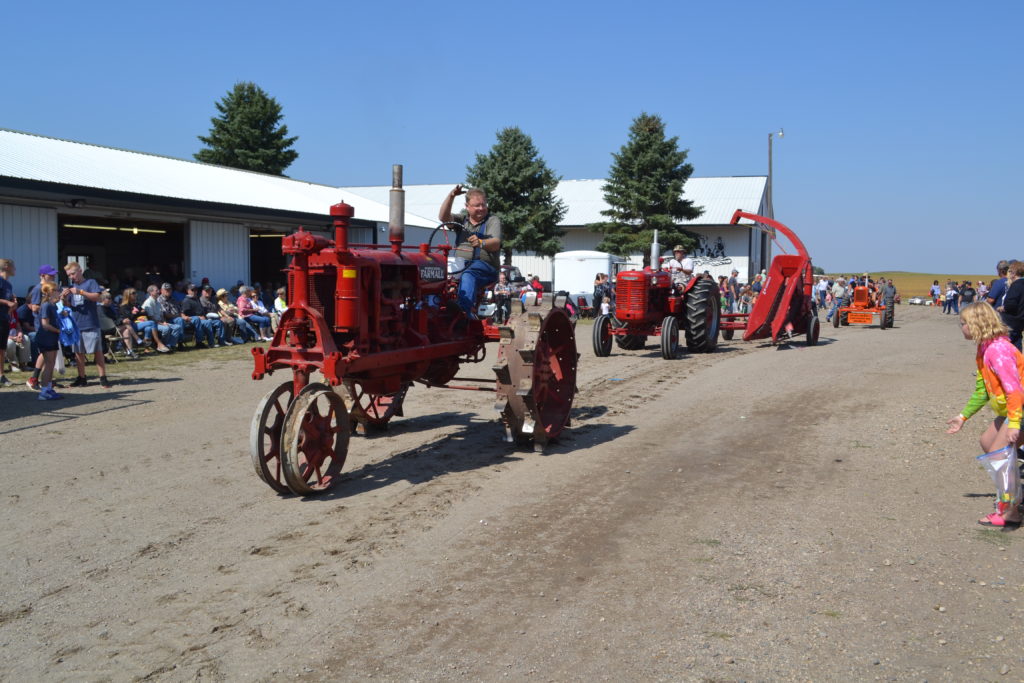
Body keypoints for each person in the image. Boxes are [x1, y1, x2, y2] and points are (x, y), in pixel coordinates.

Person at [946, 301, 1024, 528]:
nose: (961, 328)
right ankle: (1013, 495)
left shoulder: (998, 351)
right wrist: (963, 417)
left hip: (1018, 409)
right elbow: (983, 390)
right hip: (1010, 410)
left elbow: (1014, 390)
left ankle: (1010, 512)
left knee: (999, 456)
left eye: (963, 324)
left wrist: (1015, 424)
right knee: (987, 443)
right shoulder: (985, 349)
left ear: (976, 325)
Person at [438, 185, 502, 319]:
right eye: (477, 205)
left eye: (483, 205)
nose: (481, 208)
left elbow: (496, 243)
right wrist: (451, 196)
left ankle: (463, 312)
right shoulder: (462, 220)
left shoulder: (492, 220)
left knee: (469, 274)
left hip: (485, 268)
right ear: (467, 206)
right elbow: (443, 218)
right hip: (460, 265)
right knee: (436, 274)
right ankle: (432, 309)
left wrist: (481, 243)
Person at [64, 261, 110, 388]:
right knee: (78, 352)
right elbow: (69, 305)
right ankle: (82, 377)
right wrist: (63, 299)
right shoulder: (71, 287)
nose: (71, 277)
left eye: (73, 273)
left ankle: (103, 377)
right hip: (76, 323)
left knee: (97, 350)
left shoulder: (90, 283)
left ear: (80, 270)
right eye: (69, 275)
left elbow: (97, 297)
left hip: (90, 322)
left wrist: (80, 292)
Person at [26, 264, 60, 390]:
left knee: (48, 357)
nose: (53, 276)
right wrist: (49, 307)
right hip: (42, 326)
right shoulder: (37, 289)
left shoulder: (50, 290)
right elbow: (34, 307)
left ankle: (45, 381)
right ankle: (36, 379)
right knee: (46, 354)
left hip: (48, 325)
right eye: (50, 275)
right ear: (42, 275)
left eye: (53, 274)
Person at [34, 282, 64, 401]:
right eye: (56, 290)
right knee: (49, 365)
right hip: (46, 338)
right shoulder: (46, 305)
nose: (58, 291)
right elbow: (45, 324)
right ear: (51, 292)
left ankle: (48, 387)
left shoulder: (53, 304)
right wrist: (58, 331)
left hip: (51, 337)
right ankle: (44, 391)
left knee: (50, 365)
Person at [180, 283, 217, 348]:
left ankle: (214, 342)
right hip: (191, 320)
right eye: (192, 290)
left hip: (201, 318)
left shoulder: (196, 299)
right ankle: (201, 343)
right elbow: (184, 314)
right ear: (188, 291)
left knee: (211, 322)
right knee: (204, 322)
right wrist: (199, 317)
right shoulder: (186, 300)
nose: (194, 292)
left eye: (196, 290)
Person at [1000, 260, 1024, 351]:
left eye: (1009, 271)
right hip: (1020, 322)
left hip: (1011, 322)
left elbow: (1011, 304)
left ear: (1013, 273)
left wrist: (1002, 308)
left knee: (1007, 349)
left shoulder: (1016, 285)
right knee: (1017, 349)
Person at [0, 259, 15, 387]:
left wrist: (13, 304)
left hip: (4, 318)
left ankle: (1, 375)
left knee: (2, 348)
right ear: (6, 267)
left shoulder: (8, 284)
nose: (14, 268)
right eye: (12, 266)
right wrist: (6, 302)